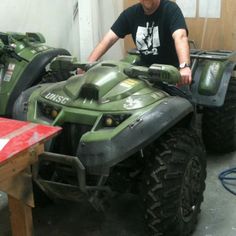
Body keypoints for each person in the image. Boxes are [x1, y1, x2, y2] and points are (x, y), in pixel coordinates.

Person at [86, 0, 192, 85]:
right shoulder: (130, 14)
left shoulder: (170, 9)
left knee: (183, 105)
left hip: (171, 73)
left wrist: (184, 67)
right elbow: (107, 40)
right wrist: (86, 66)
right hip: (145, 72)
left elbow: (180, 37)